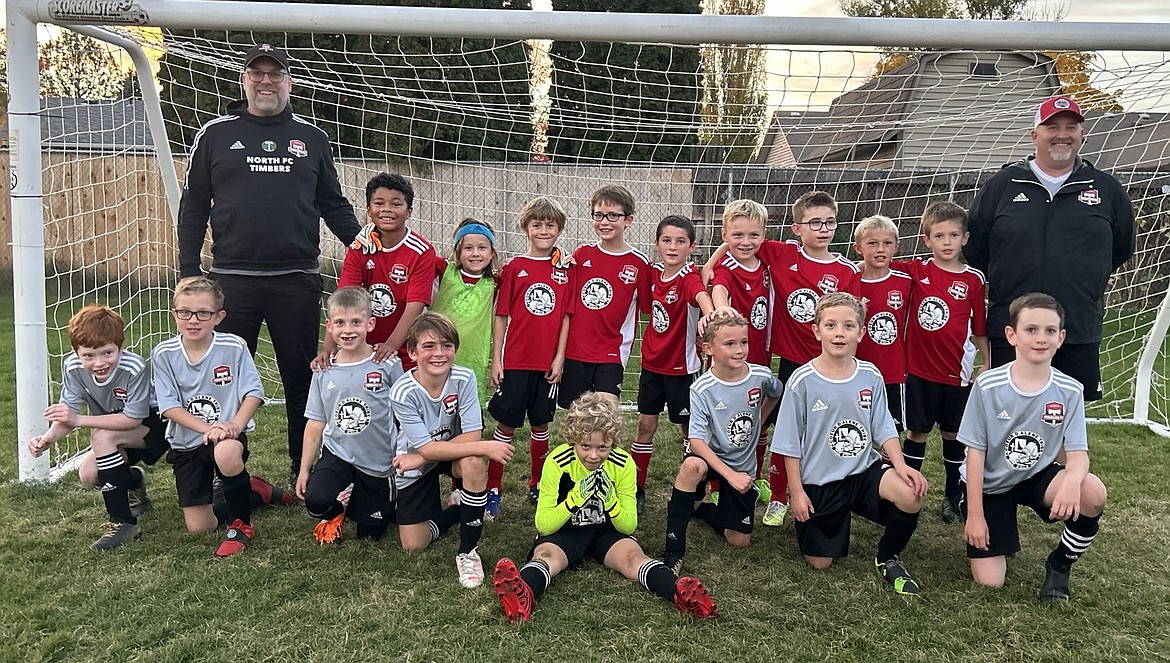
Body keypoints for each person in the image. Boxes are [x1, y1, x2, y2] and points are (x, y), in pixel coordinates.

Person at [177, 43, 362, 487]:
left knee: (304, 380)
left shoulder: (312, 138)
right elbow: (194, 205)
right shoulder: (215, 134)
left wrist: (366, 249)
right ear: (244, 80)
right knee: (222, 381)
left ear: (288, 81)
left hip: (295, 279)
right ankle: (228, 470)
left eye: (275, 74)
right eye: (256, 73)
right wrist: (188, 270)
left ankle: (307, 472)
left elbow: (332, 204)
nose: (266, 81)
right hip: (231, 282)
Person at [706, 191, 863, 528]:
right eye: (814, 222)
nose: (823, 229)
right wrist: (710, 263)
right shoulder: (782, 253)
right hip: (791, 361)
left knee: (824, 430)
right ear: (796, 228)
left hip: (830, 364)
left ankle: (830, 489)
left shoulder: (846, 270)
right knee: (784, 430)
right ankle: (777, 497)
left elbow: (851, 317)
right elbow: (736, 243)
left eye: (830, 222)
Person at [491, 392, 718, 624]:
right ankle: (523, 593)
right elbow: (544, 524)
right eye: (585, 445)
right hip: (565, 529)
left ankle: (679, 593)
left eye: (602, 447)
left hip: (606, 530)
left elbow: (629, 524)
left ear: (614, 441)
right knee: (546, 556)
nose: (593, 455)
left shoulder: (623, 463)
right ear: (573, 439)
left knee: (633, 558)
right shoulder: (557, 462)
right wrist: (573, 500)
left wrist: (610, 502)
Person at [966, 94, 1135, 401]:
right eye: (1052, 126)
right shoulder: (1002, 185)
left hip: (1077, 324)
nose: (1062, 134)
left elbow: (1121, 248)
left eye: (1071, 127)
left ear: (1081, 135)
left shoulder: (1106, 189)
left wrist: (1083, 281)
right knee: (1007, 412)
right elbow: (976, 246)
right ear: (1035, 135)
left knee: (1065, 415)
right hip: (1012, 327)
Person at [771, 293, 928, 595]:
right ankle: (828, 518)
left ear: (861, 331)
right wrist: (797, 492)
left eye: (848, 325)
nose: (839, 333)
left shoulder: (870, 374)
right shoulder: (802, 380)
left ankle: (887, 558)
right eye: (830, 325)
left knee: (910, 494)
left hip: (862, 472)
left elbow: (883, 428)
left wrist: (901, 465)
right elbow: (789, 444)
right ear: (817, 331)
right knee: (819, 563)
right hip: (821, 481)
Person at [958, 292, 1107, 602]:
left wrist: (1071, 481)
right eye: (1031, 330)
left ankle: (1060, 565)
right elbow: (975, 454)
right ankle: (990, 523)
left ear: (1061, 337)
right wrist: (975, 515)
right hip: (990, 485)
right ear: (1012, 335)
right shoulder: (988, 385)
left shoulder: (1069, 389)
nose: (1041, 338)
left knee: (1091, 492)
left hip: (1036, 475)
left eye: (1050, 331)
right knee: (990, 582)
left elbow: (1078, 454)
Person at [28, 305, 169, 550]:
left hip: (156, 426)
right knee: (89, 475)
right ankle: (133, 483)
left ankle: (123, 522)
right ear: (77, 352)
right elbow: (67, 413)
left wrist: (79, 420)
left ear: (120, 347)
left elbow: (133, 418)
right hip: (116, 430)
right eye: (89, 356)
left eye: (107, 353)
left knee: (102, 436)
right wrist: (48, 439)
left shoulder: (134, 368)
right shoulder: (72, 367)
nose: (99, 362)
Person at [389, 312, 514, 588]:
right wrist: (488, 446)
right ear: (412, 352)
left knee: (473, 463)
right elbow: (426, 447)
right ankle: (460, 509)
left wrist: (423, 454)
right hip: (414, 460)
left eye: (446, 346)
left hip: (435, 455)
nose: (439, 353)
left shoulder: (464, 377)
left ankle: (468, 552)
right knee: (413, 545)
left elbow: (470, 434)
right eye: (428, 346)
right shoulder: (402, 391)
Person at [151, 277, 266, 557]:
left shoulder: (234, 346)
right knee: (200, 527)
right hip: (186, 442)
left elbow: (254, 392)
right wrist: (208, 428)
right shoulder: (163, 354)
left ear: (218, 316)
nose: (193, 320)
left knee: (227, 453)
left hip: (227, 436)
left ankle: (241, 525)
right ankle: (255, 492)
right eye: (185, 312)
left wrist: (234, 427)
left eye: (203, 313)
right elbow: (168, 407)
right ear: (174, 314)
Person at [661, 313, 782, 576]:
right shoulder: (703, 388)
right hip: (710, 458)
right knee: (691, 466)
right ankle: (673, 552)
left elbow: (776, 392)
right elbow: (696, 441)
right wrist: (729, 475)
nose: (739, 350)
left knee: (739, 540)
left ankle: (703, 509)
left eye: (744, 342)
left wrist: (759, 419)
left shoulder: (761, 376)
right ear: (708, 349)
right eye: (729, 344)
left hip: (742, 464)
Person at [893, 201, 989, 524]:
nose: (946, 242)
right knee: (916, 434)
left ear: (965, 238)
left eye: (953, 235)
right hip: (918, 372)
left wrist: (986, 362)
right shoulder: (916, 271)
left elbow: (979, 329)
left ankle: (952, 497)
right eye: (939, 236)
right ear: (926, 240)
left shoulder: (974, 280)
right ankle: (907, 493)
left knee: (953, 436)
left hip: (956, 375)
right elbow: (876, 268)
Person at [297, 287, 404, 545]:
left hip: (379, 461)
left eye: (356, 322)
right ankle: (336, 510)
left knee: (371, 535)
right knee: (316, 500)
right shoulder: (323, 368)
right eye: (340, 323)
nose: (348, 330)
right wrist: (303, 469)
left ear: (370, 323)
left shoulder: (387, 364)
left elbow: (405, 414)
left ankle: (359, 498)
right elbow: (315, 423)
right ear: (330, 327)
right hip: (338, 454)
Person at [487, 197, 572, 513]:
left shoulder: (564, 269)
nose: (544, 230)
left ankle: (537, 483)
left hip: (546, 364)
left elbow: (566, 316)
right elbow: (501, 316)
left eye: (550, 225)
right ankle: (493, 486)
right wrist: (497, 360)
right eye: (537, 224)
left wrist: (559, 357)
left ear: (559, 229)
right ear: (526, 228)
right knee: (506, 425)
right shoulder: (514, 267)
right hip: (515, 362)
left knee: (540, 425)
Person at [632, 215, 715, 515]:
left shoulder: (689, 276)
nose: (672, 246)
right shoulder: (652, 273)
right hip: (652, 366)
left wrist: (708, 313)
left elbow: (701, 295)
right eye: (667, 240)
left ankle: (690, 487)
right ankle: (636, 487)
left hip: (684, 369)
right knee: (645, 425)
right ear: (657, 244)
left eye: (681, 241)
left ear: (691, 247)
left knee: (688, 430)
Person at [322, 173, 436, 370]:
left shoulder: (422, 251)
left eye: (395, 204)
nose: (387, 210)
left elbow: (414, 307)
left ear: (409, 211)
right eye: (379, 203)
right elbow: (343, 299)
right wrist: (328, 348)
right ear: (369, 210)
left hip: (406, 350)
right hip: (362, 350)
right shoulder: (359, 247)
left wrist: (391, 345)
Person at [706, 200, 777, 510]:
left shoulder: (764, 263)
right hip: (730, 362)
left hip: (758, 357)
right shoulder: (727, 268)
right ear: (725, 235)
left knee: (755, 423)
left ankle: (753, 476)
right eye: (737, 236)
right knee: (724, 424)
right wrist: (721, 306)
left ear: (763, 236)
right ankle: (717, 484)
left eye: (753, 235)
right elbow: (719, 287)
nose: (745, 242)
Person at [557, 184, 651, 409]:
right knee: (576, 415)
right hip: (576, 350)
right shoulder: (582, 255)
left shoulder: (640, 263)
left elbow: (647, 308)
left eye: (613, 215)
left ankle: (603, 446)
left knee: (606, 412)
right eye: (598, 215)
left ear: (628, 220)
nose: (604, 221)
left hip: (612, 351)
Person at [853, 215, 912, 434]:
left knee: (892, 431)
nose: (880, 249)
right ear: (858, 248)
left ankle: (891, 468)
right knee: (857, 427)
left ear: (896, 247)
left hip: (893, 370)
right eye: (872, 243)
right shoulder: (849, 279)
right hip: (856, 368)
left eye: (887, 243)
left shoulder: (906, 280)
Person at [431, 217, 499, 407]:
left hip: (473, 358)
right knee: (437, 405)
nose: (475, 254)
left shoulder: (496, 281)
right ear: (458, 251)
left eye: (482, 248)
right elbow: (415, 254)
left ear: (492, 253)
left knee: (468, 409)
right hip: (437, 354)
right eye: (468, 248)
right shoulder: (443, 270)